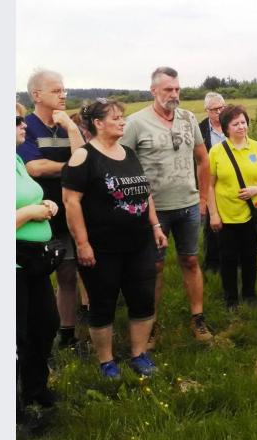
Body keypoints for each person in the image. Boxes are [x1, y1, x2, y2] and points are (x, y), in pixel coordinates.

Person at [62, 99, 168, 378]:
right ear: (98, 123)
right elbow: (71, 202)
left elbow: (144, 194)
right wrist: (82, 243)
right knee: (103, 302)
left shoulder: (129, 153)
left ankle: (139, 354)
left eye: (123, 117)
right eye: (117, 118)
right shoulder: (83, 157)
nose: (123, 122)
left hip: (139, 242)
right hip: (101, 247)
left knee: (143, 298)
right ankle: (106, 361)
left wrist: (155, 226)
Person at [120, 67, 213, 343]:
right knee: (154, 267)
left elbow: (203, 159)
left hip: (188, 204)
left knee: (191, 259)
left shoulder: (188, 118)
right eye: (167, 90)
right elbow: (123, 163)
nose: (174, 95)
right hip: (153, 210)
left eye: (177, 89)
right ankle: (150, 322)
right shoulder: (136, 123)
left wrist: (204, 198)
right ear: (154, 92)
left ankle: (198, 318)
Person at [17, 69, 86, 349]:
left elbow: (86, 156)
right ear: (37, 95)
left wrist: (71, 129)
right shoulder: (26, 127)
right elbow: (35, 167)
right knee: (53, 274)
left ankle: (74, 327)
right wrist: (73, 168)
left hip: (75, 209)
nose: (63, 95)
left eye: (64, 90)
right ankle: (50, 333)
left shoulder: (66, 124)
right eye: (57, 91)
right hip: (44, 214)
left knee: (77, 268)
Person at [16, 104, 60, 425]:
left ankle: (35, 389)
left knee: (44, 324)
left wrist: (45, 203)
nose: (23, 126)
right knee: (15, 337)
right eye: (16, 122)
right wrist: (30, 214)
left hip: (34, 262)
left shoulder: (16, 160)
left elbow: (25, 196)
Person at [207, 105, 257, 310]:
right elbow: (208, 185)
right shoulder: (217, 151)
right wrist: (213, 215)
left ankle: (250, 294)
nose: (241, 127)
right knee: (227, 258)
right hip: (226, 215)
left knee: (249, 255)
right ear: (226, 127)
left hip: (251, 213)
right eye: (235, 123)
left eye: (243, 122)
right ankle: (231, 299)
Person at [198, 92, 227, 273]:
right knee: (211, 223)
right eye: (215, 109)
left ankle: (235, 258)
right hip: (209, 182)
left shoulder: (232, 124)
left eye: (221, 108)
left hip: (230, 182)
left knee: (233, 222)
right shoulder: (200, 129)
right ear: (207, 110)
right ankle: (212, 263)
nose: (219, 112)